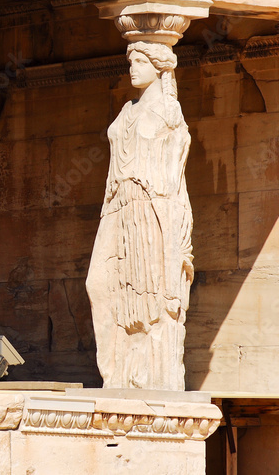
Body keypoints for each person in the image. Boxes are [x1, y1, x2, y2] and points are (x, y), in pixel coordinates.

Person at [86, 41, 194, 391]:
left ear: (159, 67)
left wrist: (174, 233)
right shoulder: (126, 111)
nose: (133, 68)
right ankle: (115, 373)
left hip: (151, 206)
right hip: (117, 204)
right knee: (98, 284)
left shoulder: (169, 112)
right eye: (130, 61)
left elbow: (174, 175)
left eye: (140, 61)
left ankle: (146, 377)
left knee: (150, 294)